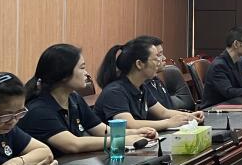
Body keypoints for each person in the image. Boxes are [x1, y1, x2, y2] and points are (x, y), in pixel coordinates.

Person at [19, 44, 155, 155]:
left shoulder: (74, 98)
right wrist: (119, 140)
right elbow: (73, 144)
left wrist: (137, 132)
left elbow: (101, 130)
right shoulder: (39, 109)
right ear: (64, 74)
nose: (86, 74)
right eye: (82, 68)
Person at [95, 39, 205, 129]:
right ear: (139, 64)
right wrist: (168, 123)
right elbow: (129, 124)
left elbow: (163, 112)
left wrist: (189, 116)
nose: (159, 62)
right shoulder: (115, 91)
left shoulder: (141, 87)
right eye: (155, 59)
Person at [134, 35, 194, 110]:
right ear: (140, 63)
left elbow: (165, 112)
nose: (164, 58)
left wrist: (190, 115)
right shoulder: (141, 87)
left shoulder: (156, 81)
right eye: (158, 55)